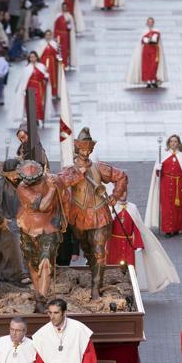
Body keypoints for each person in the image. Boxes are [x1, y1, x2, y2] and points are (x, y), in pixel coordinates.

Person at [57, 127, 128, 300]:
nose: (85, 152)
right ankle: (93, 267)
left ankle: (96, 287)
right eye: (82, 149)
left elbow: (121, 176)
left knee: (98, 252)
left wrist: (114, 196)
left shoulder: (98, 168)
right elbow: (59, 183)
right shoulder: (70, 170)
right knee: (87, 248)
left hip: (99, 215)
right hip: (78, 216)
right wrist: (77, 175)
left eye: (88, 149)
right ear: (77, 149)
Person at [106, 191, 180, 293]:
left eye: (125, 192)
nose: (123, 195)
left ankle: (129, 291)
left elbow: (138, 227)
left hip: (128, 245)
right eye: (121, 193)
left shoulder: (133, 208)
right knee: (113, 268)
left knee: (130, 269)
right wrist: (110, 215)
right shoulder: (111, 207)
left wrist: (139, 244)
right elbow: (105, 226)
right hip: (114, 245)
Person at [16, 161, 65, 301]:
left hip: (49, 229)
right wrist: (51, 190)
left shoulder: (53, 179)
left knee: (45, 262)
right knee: (33, 262)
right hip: (28, 228)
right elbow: (42, 206)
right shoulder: (22, 188)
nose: (28, 184)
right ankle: (38, 292)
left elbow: (65, 197)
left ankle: (42, 298)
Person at [125, 17, 168, 88]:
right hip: (146, 50)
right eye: (149, 22)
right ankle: (148, 81)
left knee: (154, 66)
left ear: (153, 23)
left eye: (151, 22)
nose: (150, 23)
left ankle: (154, 80)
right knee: (146, 66)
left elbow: (157, 40)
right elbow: (142, 41)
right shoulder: (144, 31)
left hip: (154, 50)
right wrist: (147, 40)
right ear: (147, 23)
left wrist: (151, 39)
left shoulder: (157, 31)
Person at [13, 51, 49, 126]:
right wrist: (23, 90)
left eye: (33, 57)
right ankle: (31, 119)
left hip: (39, 87)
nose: (32, 58)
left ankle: (37, 119)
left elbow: (44, 76)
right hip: (30, 88)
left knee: (38, 104)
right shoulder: (27, 68)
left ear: (36, 57)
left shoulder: (41, 66)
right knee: (30, 104)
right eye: (30, 57)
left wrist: (46, 76)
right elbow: (24, 80)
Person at [53, 2, 78, 69]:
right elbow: (55, 27)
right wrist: (55, 36)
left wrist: (69, 27)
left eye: (65, 7)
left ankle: (65, 64)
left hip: (66, 36)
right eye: (63, 7)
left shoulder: (69, 16)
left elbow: (71, 27)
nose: (64, 8)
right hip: (59, 35)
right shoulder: (58, 16)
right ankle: (59, 64)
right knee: (59, 50)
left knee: (65, 51)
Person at [39, 30, 60, 99]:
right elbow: (38, 54)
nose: (48, 36)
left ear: (51, 36)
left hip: (52, 64)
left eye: (49, 35)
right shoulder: (41, 44)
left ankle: (53, 93)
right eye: (46, 35)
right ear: (44, 36)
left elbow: (57, 54)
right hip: (43, 62)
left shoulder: (54, 44)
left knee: (52, 77)